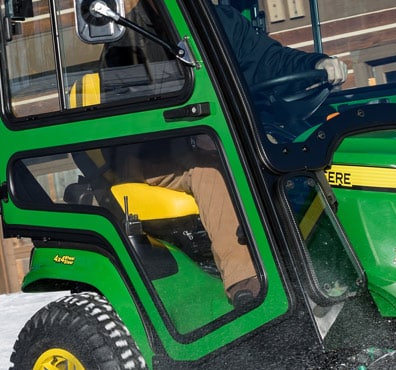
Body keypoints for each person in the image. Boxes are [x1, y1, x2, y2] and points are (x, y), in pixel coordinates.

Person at [106, 0, 347, 308]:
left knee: (295, 150)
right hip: (151, 154)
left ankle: (332, 265)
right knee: (212, 167)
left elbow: (267, 59)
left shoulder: (214, 17)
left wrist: (314, 66)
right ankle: (248, 289)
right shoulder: (127, 40)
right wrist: (190, 136)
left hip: (214, 137)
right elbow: (130, 120)